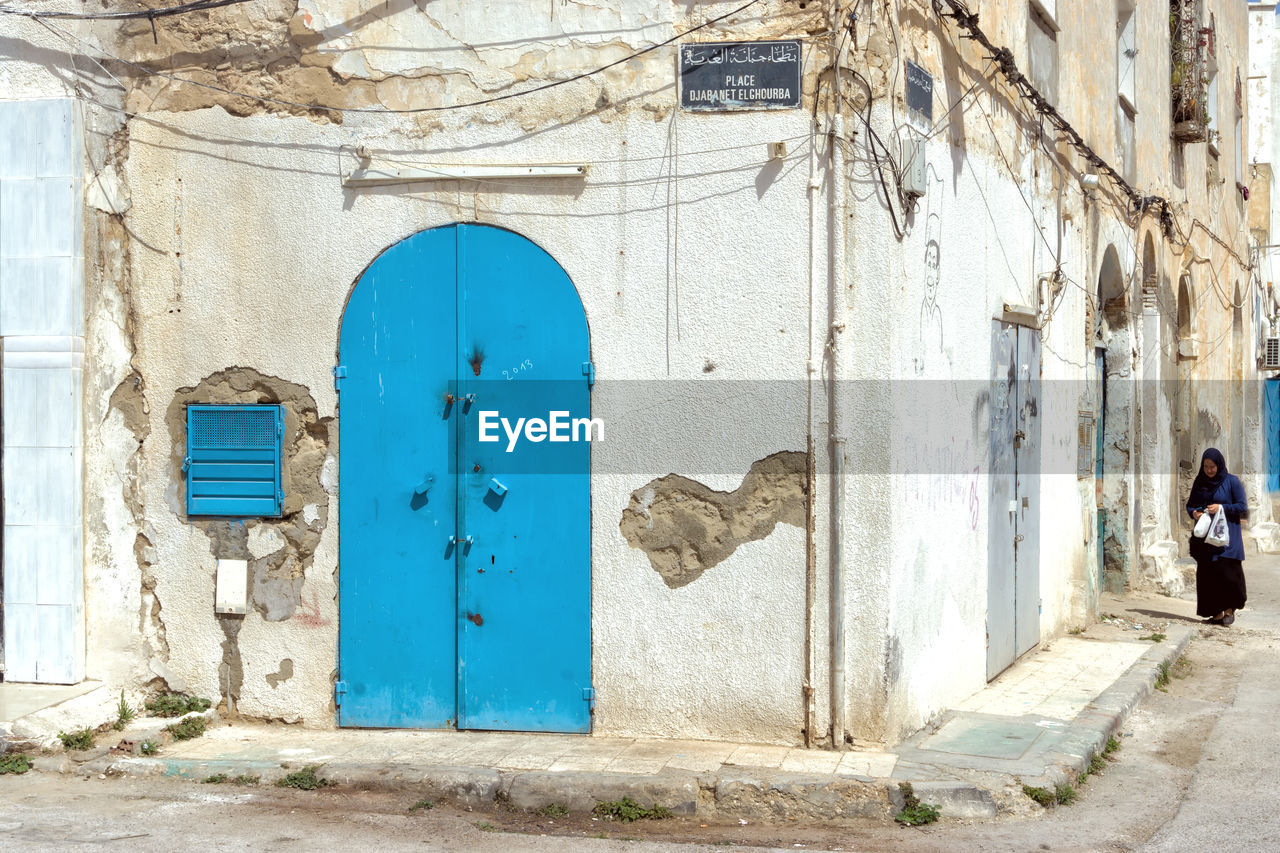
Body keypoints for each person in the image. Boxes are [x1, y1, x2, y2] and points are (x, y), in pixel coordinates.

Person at [1187, 448, 1248, 626]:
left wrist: (1221, 508)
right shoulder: (1200, 482)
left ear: (1219, 465)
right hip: (1206, 539)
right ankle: (1216, 613)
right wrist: (1195, 513)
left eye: (1212, 467)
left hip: (1227, 537)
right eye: (1206, 467)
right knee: (1209, 575)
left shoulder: (1232, 482)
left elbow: (1242, 506)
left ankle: (1229, 610)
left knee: (1229, 574)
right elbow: (1191, 505)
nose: (1209, 470)